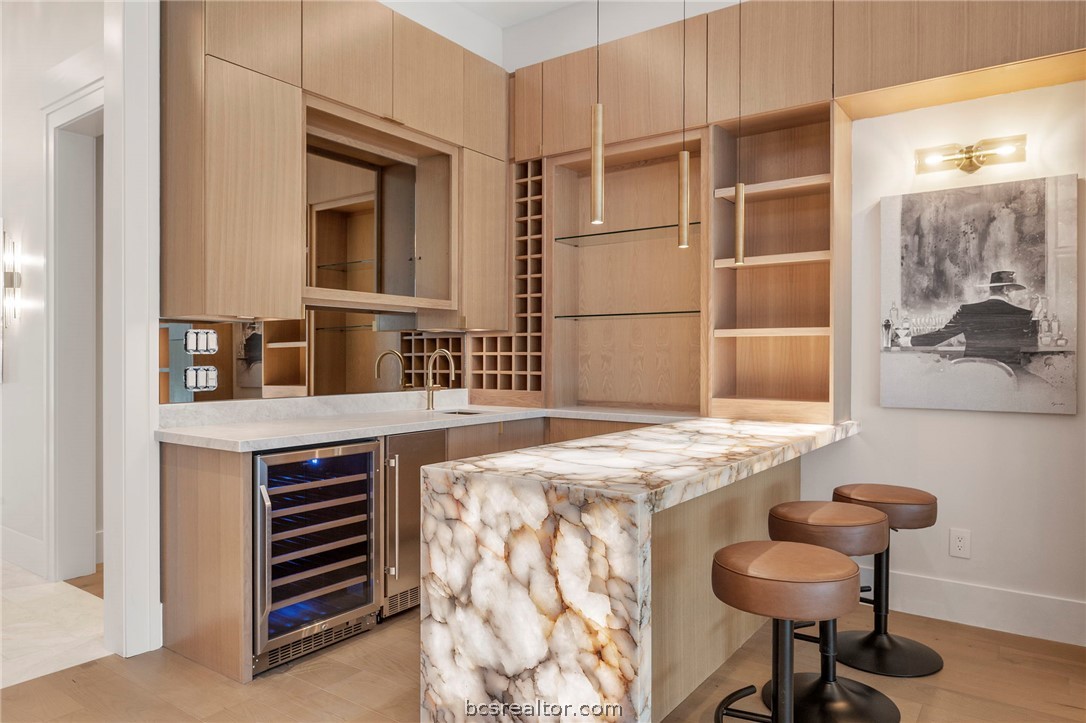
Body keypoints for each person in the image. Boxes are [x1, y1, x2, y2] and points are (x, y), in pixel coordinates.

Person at [910, 270, 1033, 365]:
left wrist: (909, 340)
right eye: (1014, 290)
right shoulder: (1023, 315)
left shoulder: (968, 310)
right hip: (1008, 374)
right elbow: (1030, 347)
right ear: (1006, 290)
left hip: (974, 372)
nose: (1016, 294)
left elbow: (940, 335)